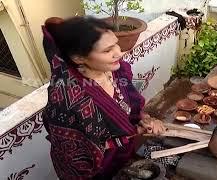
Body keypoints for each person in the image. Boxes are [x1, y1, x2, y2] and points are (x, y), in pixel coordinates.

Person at [42, 16, 165, 179]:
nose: (118, 53)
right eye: (107, 50)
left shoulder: (117, 72)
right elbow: (79, 154)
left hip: (122, 157)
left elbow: (129, 108)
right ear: (78, 58)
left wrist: (146, 120)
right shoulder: (67, 98)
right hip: (93, 172)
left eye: (116, 44)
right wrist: (136, 132)